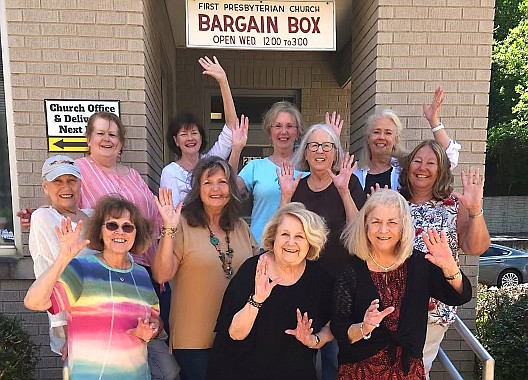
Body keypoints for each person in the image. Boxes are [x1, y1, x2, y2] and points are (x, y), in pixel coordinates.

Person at [331, 189, 472, 380]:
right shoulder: (351, 270)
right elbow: (340, 330)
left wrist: (449, 267)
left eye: (392, 222)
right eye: (376, 222)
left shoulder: (419, 263)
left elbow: (459, 296)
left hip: (408, 372)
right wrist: (364, 327)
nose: (383, 230)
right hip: (359, 372)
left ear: (403, 226)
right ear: (365, 225)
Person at [24, 196, 168, 379]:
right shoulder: (82, 269)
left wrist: (152, 329)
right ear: (100, 231)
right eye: (112, 225)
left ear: (136, 233)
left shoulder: (141, 275)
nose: (120, 232)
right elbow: (33, 302)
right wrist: (63, 258)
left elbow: (156, 320)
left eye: (128, 226)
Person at [152, 156, 259, 380]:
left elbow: (259, 273)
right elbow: (162, 274)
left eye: (222, 182)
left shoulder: (241, 228)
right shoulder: (182, 224)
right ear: (197, 189)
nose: (216, 189)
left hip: (236, 335)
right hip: (193, 340)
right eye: (208, 182)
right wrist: (169, 229)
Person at [278, 123, 367, 380]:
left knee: (334, 357)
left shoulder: (348, 185)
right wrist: (285, 196)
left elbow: (358, 233)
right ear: (305, 153)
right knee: (298, 353)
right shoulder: (296, 186)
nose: (320, 151)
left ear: (335, 153)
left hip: (342, 285)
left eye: (326, 146)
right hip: (301, 284)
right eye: (313, 145)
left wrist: (343, 190)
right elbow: (279, 233)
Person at [206, 202, 334, 380]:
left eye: (300, 236)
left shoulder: (319, 278)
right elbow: (234, 333)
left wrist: (314, 340)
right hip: (241, 372)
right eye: (285, 234)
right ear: (274, 238)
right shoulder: (253, 270)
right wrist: (257, 299)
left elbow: (331, 325)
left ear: (311, 242)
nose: (291, 242)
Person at [398, 140, 490, 377]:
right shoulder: (395, 203)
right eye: (417, 161)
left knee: (414, 371)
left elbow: (475, 247)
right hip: (395, 305)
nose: (422, 167)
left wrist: (475, 211)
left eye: (431, 162)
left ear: (440, 170)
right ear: (408, 167)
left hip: (432, 309)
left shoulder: (452, 206)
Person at [237, 101, 343, 244]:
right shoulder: (255, 167)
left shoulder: (310, 167)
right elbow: (228, 191)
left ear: (298, 131)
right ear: (270, 131)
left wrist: (331, 141)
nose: (284, 131)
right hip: (260, 246)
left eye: (289, 126)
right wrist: (236, 148)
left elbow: (337, 180)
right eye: (278, 126)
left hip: (298, 247)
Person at [29, 155, 95, 362]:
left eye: (71, 180)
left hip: (105, 317)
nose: (65, 187)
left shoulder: (93, 215)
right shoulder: (44, 218)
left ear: (80, 184)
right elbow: (49, 274)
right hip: (75, 326)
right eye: (57, 181)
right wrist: (67, 334)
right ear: (45, 187)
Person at [161, 56, 248, 205]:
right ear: (176, 140)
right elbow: (172, 212)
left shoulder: (210, 161)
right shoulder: (170, 172)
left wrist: (223, 82)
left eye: (194, 133)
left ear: (201, 137)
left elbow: (232, 127)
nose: (190, 138)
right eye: (183, 134)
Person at [354, 88, 461, 193]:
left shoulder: (405, 168)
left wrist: (434, 122)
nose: (381, 137)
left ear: (396, 138)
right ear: (368, 137)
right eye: (376, 132)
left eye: (388, 133)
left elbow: (449, 159)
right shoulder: (354, 171)